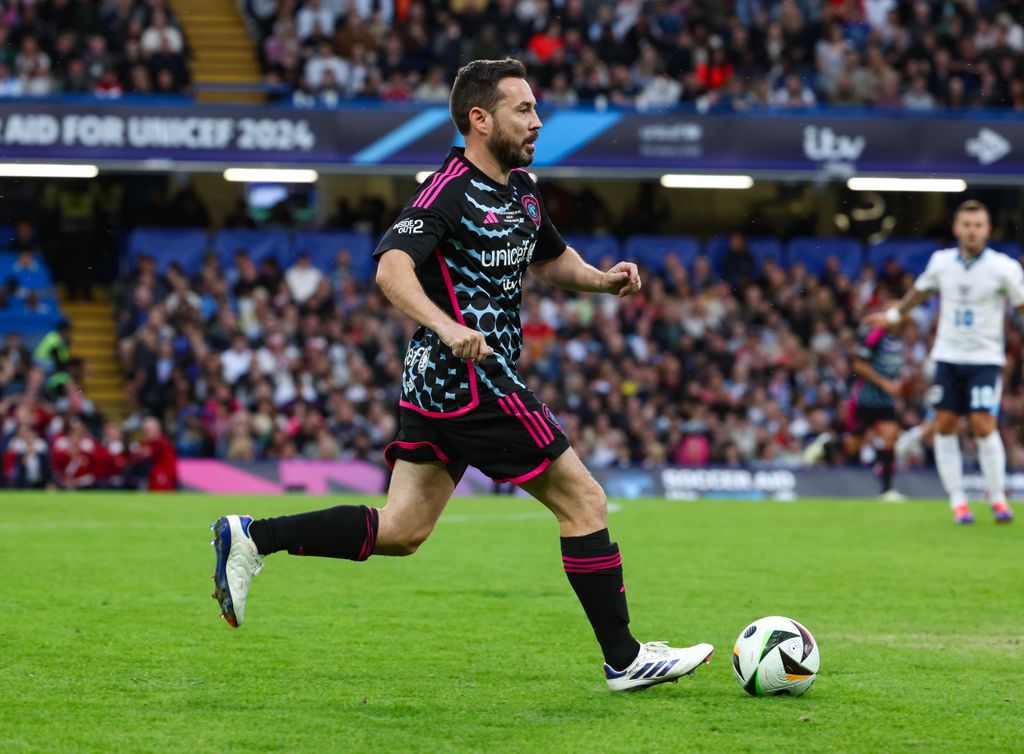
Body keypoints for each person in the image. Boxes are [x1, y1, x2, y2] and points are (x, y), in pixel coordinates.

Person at [210, 58, 713, 692]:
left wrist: (602, 278)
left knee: (402, 530)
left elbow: (552, 261)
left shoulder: (521, 189)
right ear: (480, 119)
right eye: (523, 110)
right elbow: (392, 268)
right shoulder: (447, 188)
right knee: (583, 500)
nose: (537, 122)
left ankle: (253, 537)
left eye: (534, 109)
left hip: (436, 386)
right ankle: (625, 658)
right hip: (473, 381)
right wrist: (448, 326)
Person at [866, 200, 1022, 524]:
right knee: (945, 425)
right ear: (956, 229)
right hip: (948, 356)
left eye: (978, 225)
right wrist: (895, 314)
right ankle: (958, 501)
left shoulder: (1004, 268)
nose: (972, 231)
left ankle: (996, 497)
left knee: (983, 425)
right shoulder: (941, 263)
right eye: (966, 224)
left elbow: (1021, 306)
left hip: (984, 359)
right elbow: (920, 292)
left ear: (987, 230)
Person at [847, 295, 906, 501]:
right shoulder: (876, 336)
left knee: (890, 437)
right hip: (865, 400)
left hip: (885, 401)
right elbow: (859, 365)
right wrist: (886, 384)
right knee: (852, 447)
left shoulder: (898, 338)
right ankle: (828, 445)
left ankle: (887, 490)